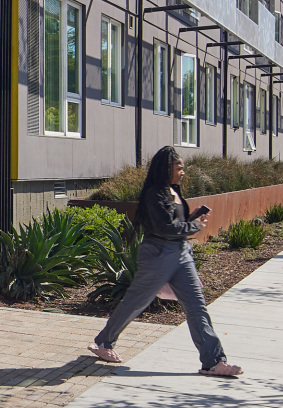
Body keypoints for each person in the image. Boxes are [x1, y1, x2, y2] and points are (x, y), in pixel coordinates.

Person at [87, 146, 243, 377]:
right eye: (179, 167)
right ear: (166, 168)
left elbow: (174, 224)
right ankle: (104, 342)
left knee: (197, 306)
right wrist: (194, 226)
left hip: (180, 254)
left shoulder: (174, 191)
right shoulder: (154, 194)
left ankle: (213, 362)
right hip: (157, 254)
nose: (183, 172)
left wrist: (190, 222)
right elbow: (164, 227)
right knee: (136, 302)